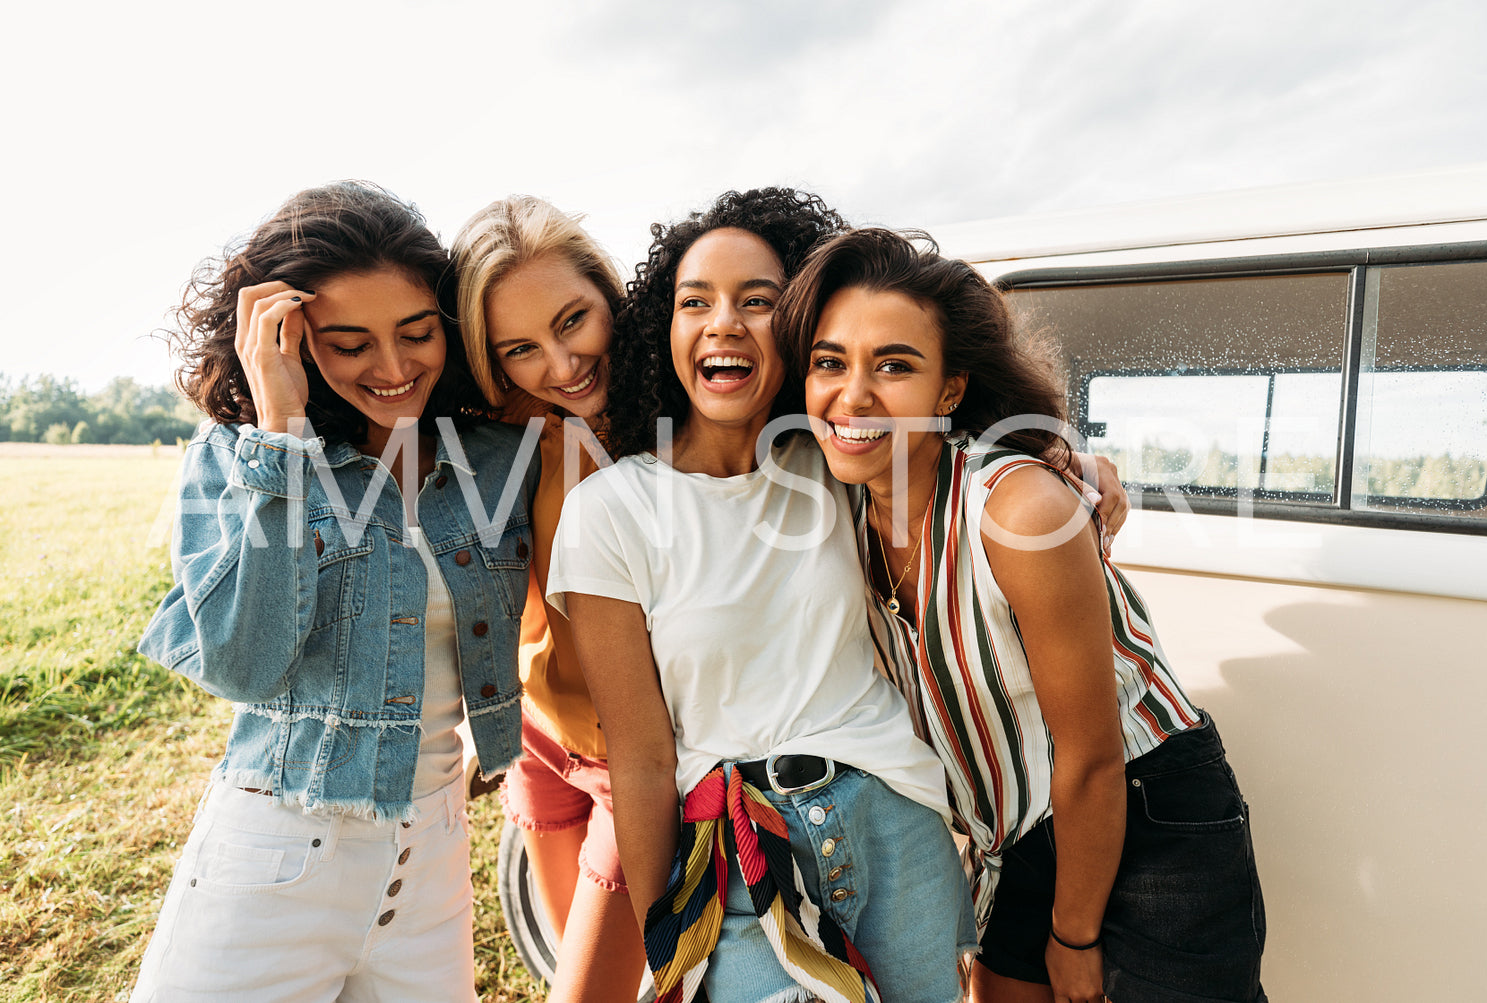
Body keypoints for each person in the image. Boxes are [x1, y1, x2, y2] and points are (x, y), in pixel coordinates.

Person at [777, 227, 1267, 1003]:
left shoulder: (1018, 508)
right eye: (829, 362)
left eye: (894, 365)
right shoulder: (831, 502)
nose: (854, 394)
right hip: (1020, 829)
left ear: (950, 390)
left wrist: (1074, 937)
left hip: (1140, 808)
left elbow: (1093, 759)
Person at [547, 188, 978, 1003]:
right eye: (694, 301)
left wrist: (1073, 462)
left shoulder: (842, 460)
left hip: (895, 826)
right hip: (736, 854)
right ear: (664, 331)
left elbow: (964, 432)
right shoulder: (610, 509)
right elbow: (639, 757)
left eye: (757, 301)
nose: (722, 323)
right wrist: (665, 941)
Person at [131, 181, 539, 1002]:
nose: (393, 369)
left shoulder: (494, 456)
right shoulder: (236, 458)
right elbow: (243, 662)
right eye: (349, 344)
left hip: (431, 860)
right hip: (279, 854)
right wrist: (282, 431)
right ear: (287, 340)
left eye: (416, 333)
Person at [450, 196, 647, 1002]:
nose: (561, 365)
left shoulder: (686, 411)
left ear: (609, 293)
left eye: (574, 320)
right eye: (521, 348)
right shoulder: (509, 417)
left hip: (637, 755)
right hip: (537, 735)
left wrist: (1052, 449)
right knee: (567, 960)